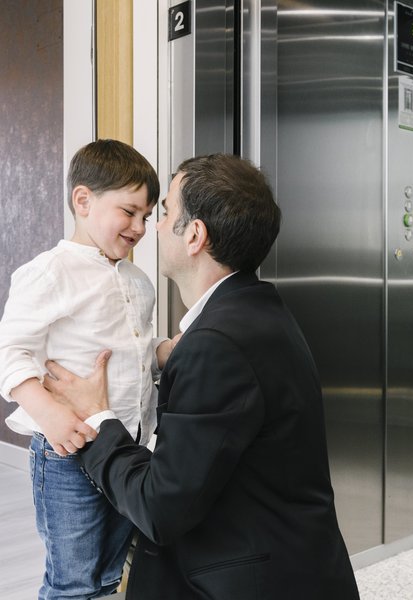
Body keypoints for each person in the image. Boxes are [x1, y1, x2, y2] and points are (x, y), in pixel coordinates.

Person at [44, 153, 360, 599]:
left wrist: (99, 418)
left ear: (194, 235)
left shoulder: (218, 345)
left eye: (164, 212)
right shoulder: (258, 311)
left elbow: (159, 508)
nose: (150, 227)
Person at [0, 139, 178, 599]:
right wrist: (50, 413)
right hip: (68, 457)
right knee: (73, 577)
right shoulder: (48, 273)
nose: (139, 227)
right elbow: (11, 352)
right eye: (129, 211)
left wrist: (169, 351)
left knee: (109, 572)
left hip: (127, 448)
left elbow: (136, 351)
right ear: (83, 200)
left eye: (147, 215)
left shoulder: (138, 282)